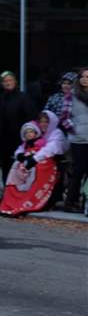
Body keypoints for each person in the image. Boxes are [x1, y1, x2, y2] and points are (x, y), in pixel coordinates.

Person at [0, 71, 37, 181]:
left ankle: (20, 194)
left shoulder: (23, 98)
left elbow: (30, 118)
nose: (8, 83)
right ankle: (7, 192)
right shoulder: (0, 98)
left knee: (21, 167)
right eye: (5, 81)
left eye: (10, 80)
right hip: (4, 140)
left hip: (20, 140)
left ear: (15, 81)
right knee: (6, 167)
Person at [64, 68, 88, 213]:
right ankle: (70, 202)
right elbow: (64, 118)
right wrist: (76, 130)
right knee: (78, 171)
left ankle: (85, 202)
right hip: (78, 140)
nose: (85, 79)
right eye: (83, 76)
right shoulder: (71, 96)